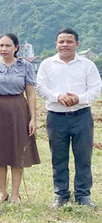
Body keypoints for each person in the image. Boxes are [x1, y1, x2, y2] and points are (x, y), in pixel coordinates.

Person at [36, 28, 101, 209]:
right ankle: (61, 194)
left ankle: (83, 195)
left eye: (69, 42)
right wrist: (58, 97)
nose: (65, 45)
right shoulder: (47, 64)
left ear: (77, 44)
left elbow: (95, 88)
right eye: (61, 42)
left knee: (83, 157)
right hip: (56, 117)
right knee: (58, 157)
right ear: (56, 44)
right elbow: (40, 86)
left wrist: (78, 98)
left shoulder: (87, 65)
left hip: (81, 116)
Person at [0, 33, 40, 204]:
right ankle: (2, 192)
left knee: (17, 151)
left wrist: (33, 118)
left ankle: (15, 194)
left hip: (18, 109)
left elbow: (31, 94)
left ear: (16, 48)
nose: (4, 49)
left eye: (8, 46)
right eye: (1, 45)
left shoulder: (25, 66)